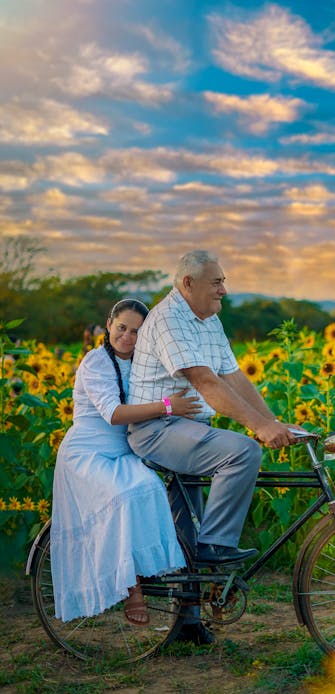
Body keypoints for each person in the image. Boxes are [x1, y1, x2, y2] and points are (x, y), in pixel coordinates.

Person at [127, 250, 300, 643]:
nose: (224, 288)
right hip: (157, 428)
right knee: (242, 452)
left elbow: (232, 376)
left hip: (188, 428)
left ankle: (186, 622)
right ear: (188, 284)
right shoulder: (171, 318)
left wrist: (270, 421)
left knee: (186, 525)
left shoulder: (208, 320)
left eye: (223, 280)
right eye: (216, 281)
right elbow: (205, 381)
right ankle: (218, 546)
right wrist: (256, 429)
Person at [50, 299, 201, 626]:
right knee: (124, 496)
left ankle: (170, 582)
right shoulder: (96, 362)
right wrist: (167, 407)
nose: (128, 337)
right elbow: (114, 414)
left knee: (150, 488)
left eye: (136, 331)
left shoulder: (145, 364)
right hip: (88, 453)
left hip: (126, 451)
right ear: (109, 325)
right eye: (122, 328)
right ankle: (132, 587)